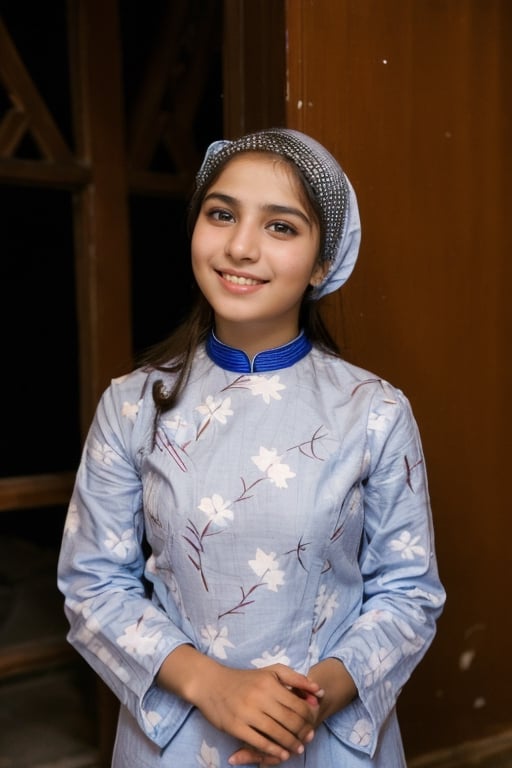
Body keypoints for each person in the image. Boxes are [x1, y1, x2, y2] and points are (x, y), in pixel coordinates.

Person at [57, 127, 446, 767]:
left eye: (281, 227)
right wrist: (213, 686)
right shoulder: (131, 405)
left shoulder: (373, 411)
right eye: (221, 214)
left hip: (324, 739)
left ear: (324, 261)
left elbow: (409, 594)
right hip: (176, 738)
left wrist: (306, 705)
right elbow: (92, 585)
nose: (240, 246)